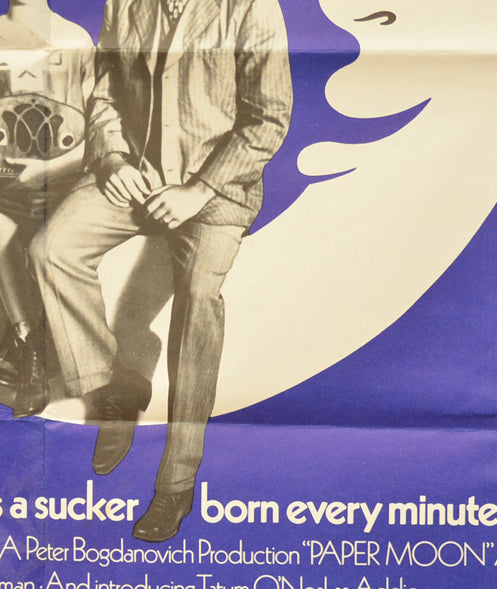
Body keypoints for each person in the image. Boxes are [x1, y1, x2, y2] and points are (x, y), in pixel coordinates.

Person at [31, 0, 292, 542]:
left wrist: (199, 190)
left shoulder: (252, 7)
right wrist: (112, 159)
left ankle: (177, 482)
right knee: (51, 249)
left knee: (198, 302)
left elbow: (269, 118)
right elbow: (105, 92)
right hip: (136, 174)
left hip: (216, 190)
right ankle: (114, 390)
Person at [0, 0, 92, 417]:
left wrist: (48, 170)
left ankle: (39, 349)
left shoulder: (75, 40)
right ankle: (28, 348)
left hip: (61, 180)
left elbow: (99, 132)